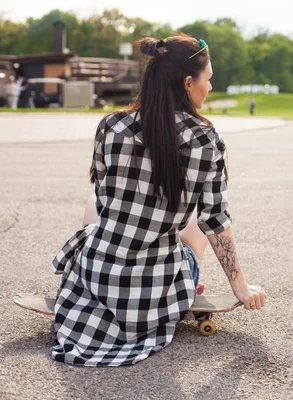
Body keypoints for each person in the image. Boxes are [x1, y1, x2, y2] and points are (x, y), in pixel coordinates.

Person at [50, 34, 266, 367]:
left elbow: (107, 199)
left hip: (100, 276)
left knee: (93, 205)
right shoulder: (205, 139)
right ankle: (183, 275)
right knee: (191, 222)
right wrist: (239, 286)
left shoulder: (111, 125)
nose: (210, 87)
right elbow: (215, 221)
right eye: (208, 79)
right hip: (154, 291)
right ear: (188, 81)